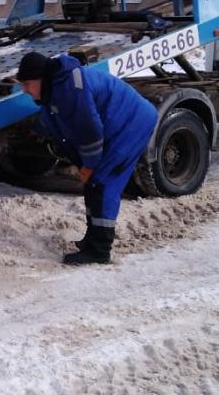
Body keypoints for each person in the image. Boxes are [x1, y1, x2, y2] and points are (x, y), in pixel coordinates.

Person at [16, 52, 158, 265]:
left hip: (131, 124)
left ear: (42, 79)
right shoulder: (55, 87)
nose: (25, 90)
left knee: (103, 182)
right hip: (117, 124)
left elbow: (89, 132)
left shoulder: (69, 90)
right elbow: (56, 121)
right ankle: (93, 238)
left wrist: (89, 165)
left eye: (27, 84)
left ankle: (100, 250)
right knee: (93, 183)